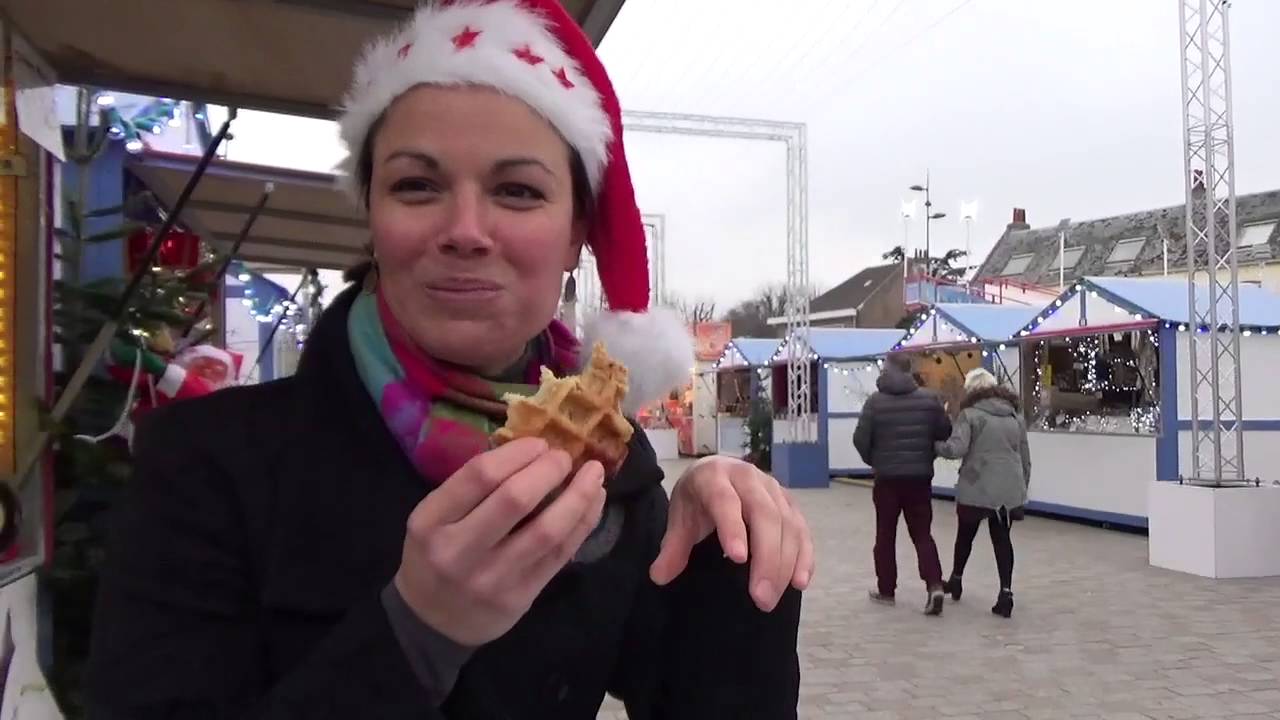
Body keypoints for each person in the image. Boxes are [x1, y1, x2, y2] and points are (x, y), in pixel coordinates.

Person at [86, 2, 814, 717]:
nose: (465, 230)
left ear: (573, 238)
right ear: (371, 215)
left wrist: (729, 552)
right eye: (417, 185)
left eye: (517, 191)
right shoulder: (202, 462)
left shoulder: (611, 468)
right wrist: (417, 633)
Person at [853, 353, 951, 615]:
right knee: (922, 534)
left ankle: (886, 590)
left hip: (886, 479)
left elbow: (860, 439)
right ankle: (934, 584)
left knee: (885, 535)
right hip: (919, 478)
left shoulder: (875, 402)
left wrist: (875, 460)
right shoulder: (930, 400)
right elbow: (944, 432)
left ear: (888, 370)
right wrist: (926, 454)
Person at [935, 368, 1031, 618]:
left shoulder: (970, 415)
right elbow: (1024, 456)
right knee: (1002, 539)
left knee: (965, 535)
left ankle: (956, 579)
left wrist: (935, 445)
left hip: (977, 484)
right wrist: (1021, 488)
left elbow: (957, 449)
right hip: (1008, 487)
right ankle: (1006, 592)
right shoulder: (1014, 416)